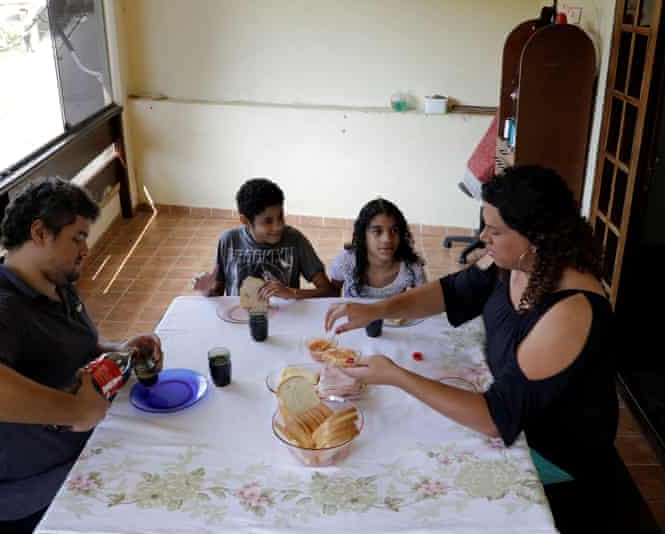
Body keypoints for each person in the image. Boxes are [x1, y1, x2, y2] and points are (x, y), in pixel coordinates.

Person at [324, 166, 618, 533]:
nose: (483, 237)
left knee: (410, 480)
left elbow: (497, 418)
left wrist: (396, 376)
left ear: (535, 237)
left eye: (495, 230)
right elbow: (454, 291)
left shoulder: (571, 310)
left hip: (549, 449)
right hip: (509, 409)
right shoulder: (512, 260)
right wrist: (379, 308)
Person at [0, 178, 163, 534]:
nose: (85, 248)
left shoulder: (57, 284)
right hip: (28, 482)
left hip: (68, 449)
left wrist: (119, 349)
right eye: (78, 237)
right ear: (40, 233)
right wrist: (79, 411)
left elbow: (71, 350)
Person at [193, 177, 335, 300]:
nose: (278, 226)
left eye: (280, 217)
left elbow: (329, 292)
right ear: (245, 221)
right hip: (239, 320)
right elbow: (217, 291)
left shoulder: (295, 240)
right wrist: (207, 289)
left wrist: (291, 293)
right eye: (268, 221)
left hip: (285, 319)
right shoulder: (229, 241)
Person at [328, 198, 426, 298]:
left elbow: (423, 300)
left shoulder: (411, 267)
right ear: (363, 235)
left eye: (394, 230)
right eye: (377, 231)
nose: (387, 239)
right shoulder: (346, 261)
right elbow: (333, 291)